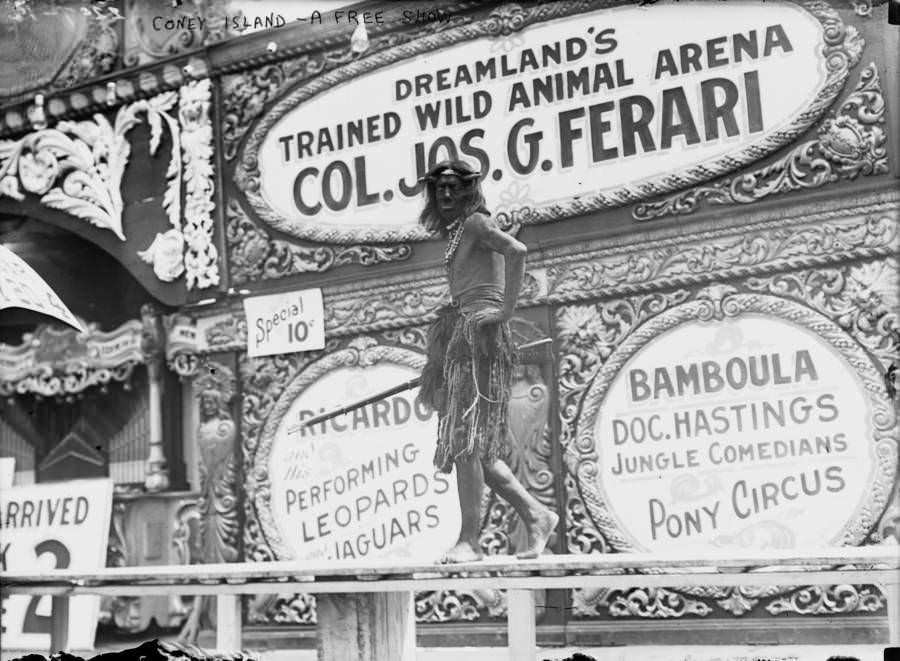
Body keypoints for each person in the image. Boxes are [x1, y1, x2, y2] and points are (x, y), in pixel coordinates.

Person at [416, 159, 558, 563]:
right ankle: (537, 514)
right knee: (476, 449)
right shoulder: (459, 231)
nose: (445, 195)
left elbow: (517, 250)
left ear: (468, 189)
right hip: (464, 336)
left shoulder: (477, 222)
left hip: (480, 336)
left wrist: (503, 312)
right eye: (438, 188)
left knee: (467, 443)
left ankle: (470, 542)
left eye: (453, 187)